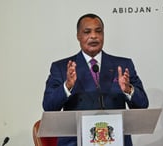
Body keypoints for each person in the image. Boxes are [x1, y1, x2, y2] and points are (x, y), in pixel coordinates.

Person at [42, 13, 149, 146]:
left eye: (98, 31)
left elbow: (143, 104)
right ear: (78, 36)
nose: (94, 36)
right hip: (75, 142)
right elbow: (49, 106)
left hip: (116, 140)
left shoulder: (123, 65)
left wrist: (128, 90)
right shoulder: (61, 67)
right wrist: (67, 86)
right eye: (87, 32)